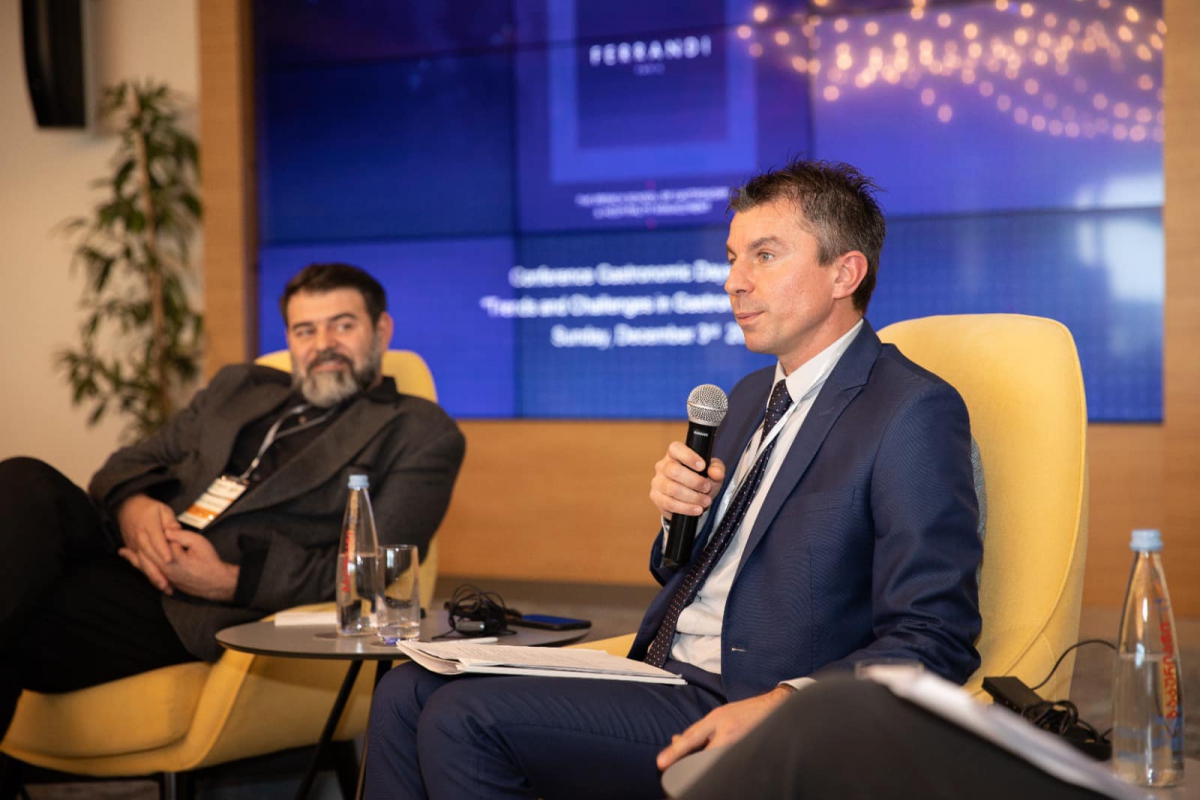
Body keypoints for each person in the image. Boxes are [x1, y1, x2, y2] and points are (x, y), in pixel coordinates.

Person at [363, 159, 983, 800]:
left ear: (844, 274)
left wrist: (786, 704)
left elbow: (935, 635)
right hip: (661, 673)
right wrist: (680, 517)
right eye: (733, 258)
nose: (733, 282)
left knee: (463, 717)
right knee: (406, 690)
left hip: (751, 701)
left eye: (765, 256)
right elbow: (687, 571)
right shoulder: (750, 396)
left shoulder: (909, 410)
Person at [0, 262, 466, 739]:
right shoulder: (240, 387)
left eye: (342, 326)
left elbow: (375, 571)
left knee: (27, 607)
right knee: (23, 479)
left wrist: (227, 582)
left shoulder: (418, 431)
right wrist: (134, 509)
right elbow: (124, 465)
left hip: (188, 607)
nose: (323, 344)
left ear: (381, 330)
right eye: (305, 330)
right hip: (126, 552)